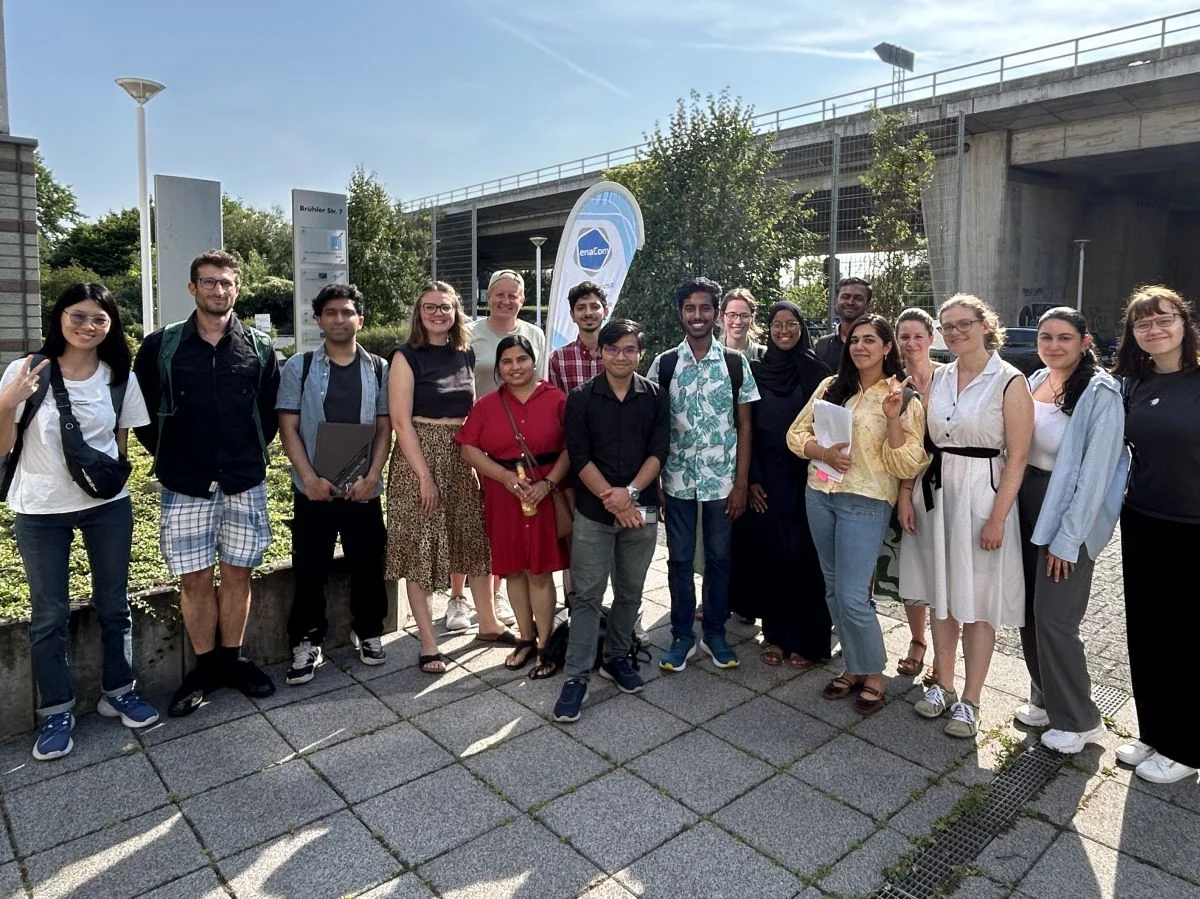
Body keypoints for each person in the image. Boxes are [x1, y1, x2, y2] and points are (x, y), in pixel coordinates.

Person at [1, 283, 158, 759]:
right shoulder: (28, 370)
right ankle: (56, 710)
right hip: (40, 508)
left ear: (111, 325)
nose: (88, 326)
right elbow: (4, 446)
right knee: (49, 613)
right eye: (78, 316)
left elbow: (120, 444)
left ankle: (119, 690)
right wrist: (7, 402)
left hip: (107, 507)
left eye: (99, 319)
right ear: (60, 317)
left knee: (114, 602)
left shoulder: (118, 377)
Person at [134, 250, 281, 716]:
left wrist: (244, 453)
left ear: (237, 288)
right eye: (209, 281)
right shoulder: (161, 346)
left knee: (238, 574)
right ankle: (204, 667)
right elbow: (142, 413)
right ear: (192, 287)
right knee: (195, 578)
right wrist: (173, 456)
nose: (218, 290)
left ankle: (232, 661)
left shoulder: (259, 347)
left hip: (244, 479)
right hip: (185, 483)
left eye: (226, 282)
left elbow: (270, 414)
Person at [904, 294, 1033, 738]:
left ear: (985, 325)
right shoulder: (939, 377)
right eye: (949, 326)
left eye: (964, 324)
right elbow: (923, 441)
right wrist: (907, 494)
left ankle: (972, 699)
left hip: (983, 495)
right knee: (941, 593)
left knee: (978, 600)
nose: (956, 332)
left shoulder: (1009, 381)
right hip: (938, 492)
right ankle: (943, 684)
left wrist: (998, 518)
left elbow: (1018, 457)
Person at [786, 314, 927, 716]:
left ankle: (874, 673)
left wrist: (893, 417)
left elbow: (907, 463)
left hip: (865, 500)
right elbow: (796, 435)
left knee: (852, 595)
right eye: (855, 340)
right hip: (820, 494)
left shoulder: (903, 396)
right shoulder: (832, 387)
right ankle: (853, 666)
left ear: (887, 347)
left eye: (870, 340)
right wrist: (823, 452)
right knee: (833, 589)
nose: (860, 347)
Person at [1014, 307, 1128, 754]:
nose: (1054, 345)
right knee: (1026, 611)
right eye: (1046, 337)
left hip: (1065, 511)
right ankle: (1046, 698)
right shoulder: (1035, 380)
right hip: (1025, 502)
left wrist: (1069, 538)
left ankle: (1080, 719)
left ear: (1085, 342)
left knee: (1055, 617)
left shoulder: (1101, 392)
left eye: (1064, 337)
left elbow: (1096, 474)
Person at [386, 282, 511, 675]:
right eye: (430, 307)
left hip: (460, 454)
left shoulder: (464, 352)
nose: (438, 313)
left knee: (474, 540)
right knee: (421, 549)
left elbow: (472, 410)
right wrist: (424, 476)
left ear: (457, 312)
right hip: (418, 456)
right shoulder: (405, 356)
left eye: (445, 307)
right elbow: (400, 421)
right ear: (419, 313)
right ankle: (428, 643)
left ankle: (488, 624)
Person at [553, 319, 669, 722]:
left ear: (640, 353)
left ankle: (617, 656)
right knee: (587, 594)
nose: (622, 356)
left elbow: (658, 452)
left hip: (641, 510)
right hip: (594, 512)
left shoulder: (655, 396)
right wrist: (616, 501)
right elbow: (579, 456)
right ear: (600, 352)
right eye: (614, 349)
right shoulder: (581, 398)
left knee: (631, 590)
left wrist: (630, 494)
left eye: (630, 349)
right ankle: (576, 675)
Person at [276, 284, 392, 684]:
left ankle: (370, 630)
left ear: (360, 319)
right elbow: (288, 427)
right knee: (310, 568)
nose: (339, 319)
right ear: (318, 320)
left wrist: (372, 477)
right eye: (331, 313)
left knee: (369, 563)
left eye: (347, 312)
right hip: (314, 490)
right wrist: (308, 478)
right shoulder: (300, 366)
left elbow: (384, 428)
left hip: (363, 489)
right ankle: (307, 641)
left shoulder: (379, 368)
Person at [646, 277, 759, 672]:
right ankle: (681, 635)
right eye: (690, 308)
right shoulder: (664, 364)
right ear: (681, 313)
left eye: (705, 308)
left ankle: (714, 632)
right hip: (676, 480)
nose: (698, 315)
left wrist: (741, 484)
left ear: (716, 313)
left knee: (719, 558)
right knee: (679, 560)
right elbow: (654, 428)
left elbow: (745, 426)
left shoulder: (734, 363)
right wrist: (656, 482)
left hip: (722, 482)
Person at [1112, 285, 1200, 784]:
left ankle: (1185, 747)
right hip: (1144, 517)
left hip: (1193, 526)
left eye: (1164, 319)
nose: (1154, 329)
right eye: (1142, 323)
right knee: (1147, 631)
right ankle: (1155, 731)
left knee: (1187, 637)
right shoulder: (1134, 384)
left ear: (1184, 323)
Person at [458, 336, 570, 679]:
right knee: (513, 570)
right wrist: (503, 476)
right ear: (499, 367)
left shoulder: (556, 399)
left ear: (533, 361)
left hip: (543, 495)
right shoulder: (487, 405)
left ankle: (546, 643)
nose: (515, 367)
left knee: (540, 571)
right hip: (504, 497)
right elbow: (467, 448)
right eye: (507, 361)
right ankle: (525, 637)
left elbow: (571, 448)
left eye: (522, 359)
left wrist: (547, 483)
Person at [730, 302, 832, 669]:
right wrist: (751, 478)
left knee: (806, 558)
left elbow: (830, 428)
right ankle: (774, 634)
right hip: (766, 477)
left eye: (791, 324)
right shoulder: (756, 370)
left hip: (807, 477)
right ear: (768, 328)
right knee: (772, 555)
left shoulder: (820, 373)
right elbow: (745, 427)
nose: (784, 330)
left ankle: (807, 640)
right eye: (777, 324)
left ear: (802, 328)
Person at [452, 269, 546, 631]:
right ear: (487, 297)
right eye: (499, 294)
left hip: (514, 442)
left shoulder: (534, 334)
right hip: (474, 434)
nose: (506, 300)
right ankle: (457, 597)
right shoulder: (469, 332)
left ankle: (496, 594)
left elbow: (539, 382)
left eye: (513, 295)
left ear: (522, 299)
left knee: (502, 519)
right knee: (467, 517)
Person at [893, 308, 943, 683]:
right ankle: (917, 641)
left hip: (949, 481)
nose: (911, 343)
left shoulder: (950, 377)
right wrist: (904, 492)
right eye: (904, 337)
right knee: (912, 563)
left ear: (931, 338)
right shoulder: (894, 383)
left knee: (944, 566)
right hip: (907, 481)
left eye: (917, 336)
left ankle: (945, 654)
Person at [548, 281, 607, 395]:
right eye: (581, 308)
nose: (588, 313)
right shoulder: (559, 358)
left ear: (605, 312)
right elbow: (557, 402)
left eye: (594, 307)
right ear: (572, 315)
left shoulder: (617, 355)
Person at [814, 277, 871, 371]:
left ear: (868, 305)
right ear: (836, 301)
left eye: (858, 298)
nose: (850, 302)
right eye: (845, 297)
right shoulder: (822, 346)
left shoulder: (877, 345)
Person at [719, 288, 766, 361]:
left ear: (752, 317)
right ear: (722, 316)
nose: (738, 322)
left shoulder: (765, 356)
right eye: (732, 315)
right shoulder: (712, 354)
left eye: (744, 316)